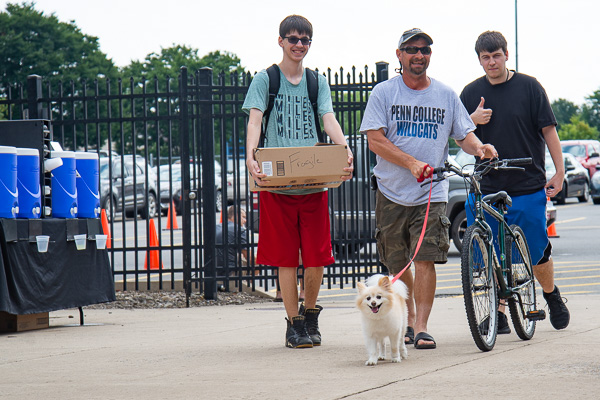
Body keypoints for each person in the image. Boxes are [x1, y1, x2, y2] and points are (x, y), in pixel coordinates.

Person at [359, 28, 497, 350]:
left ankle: (420, 326)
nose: (419, 54)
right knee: (396, 262)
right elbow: (375, 139)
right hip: (391, 190)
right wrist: (409, 163)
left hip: (432, 191)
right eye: (412, 49)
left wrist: (479, 148)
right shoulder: (384, 93)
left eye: (425, 49)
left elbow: (463, 133)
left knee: (424, 258)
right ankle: (407, 317)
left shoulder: (445, 95)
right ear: (400, 55)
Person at [242, 15, 354, 349]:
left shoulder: (317, 82)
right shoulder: (266, 79)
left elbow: (328, 118)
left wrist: (344, 148)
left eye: (305, 40)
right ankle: (293, 324)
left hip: (313, 184)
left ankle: (310, 314)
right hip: (278, 186)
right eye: (293, 39)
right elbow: (255, 121)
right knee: (286, 258)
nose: (299, 45)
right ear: (280, 41)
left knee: (317, 257)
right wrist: (251, 156)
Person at [460, 31, 570, 332]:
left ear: (506, 54)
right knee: (489, 249)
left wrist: (559, 173)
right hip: (487, 185)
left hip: (527, 183)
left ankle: (551, 294)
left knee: (536, 249)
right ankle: (500, 311)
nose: (491, 62)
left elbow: (549, 132)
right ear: (479, 60)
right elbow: (457, 133)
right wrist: (472, 119)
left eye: (496, 55)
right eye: (486, 57)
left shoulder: (530, 87)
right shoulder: (470, 93)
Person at [216, 206, 249, 280]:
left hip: (214, 271)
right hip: (229, 272)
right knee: (257, 263)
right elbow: (249, 257)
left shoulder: (217, 227)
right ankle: (246, 286)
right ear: (236, 216)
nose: (245, 220)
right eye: (243, 217)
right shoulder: (239, 229)